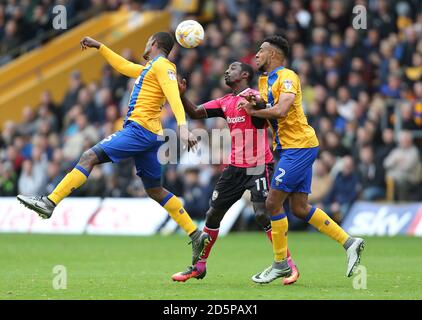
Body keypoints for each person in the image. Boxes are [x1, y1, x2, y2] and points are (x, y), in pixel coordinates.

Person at [17, 32, 210, 267]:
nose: (145, 44)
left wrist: (182, 127)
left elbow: (173, 95)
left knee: (89, 156)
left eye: (147, 40)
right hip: (149, 134)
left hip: (139, 130)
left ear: (154, 44)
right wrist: (101, 47)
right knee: (155, 190)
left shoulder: (163, 65)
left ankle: (50, 202)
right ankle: (195, 234)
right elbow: (124, 65)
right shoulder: (149, 69)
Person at [239, 35, 364, 283]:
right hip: (290, 148)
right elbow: (267, 112)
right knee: (298, 208)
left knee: (273, 204)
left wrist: (255, 110)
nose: (256, 55)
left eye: (260, 51)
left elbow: (282, 110)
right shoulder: (264, 80)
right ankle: (349, 242)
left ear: (273, 54)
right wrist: (255, 103)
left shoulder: (288, 76)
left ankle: (280, 264)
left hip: (299, 146)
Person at [171, 61, 299, 285]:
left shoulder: (254, 96)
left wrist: (256, 104)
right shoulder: (225, 102)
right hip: (234, 168)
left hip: (258, 165)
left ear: (244, 74)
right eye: (226, 68)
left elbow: (261, 117)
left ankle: (287, 263)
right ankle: (199, 267)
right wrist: (182, 96)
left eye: (231, 68)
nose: (226, 71)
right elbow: (195, 112)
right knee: (213, 215)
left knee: (262, 213)